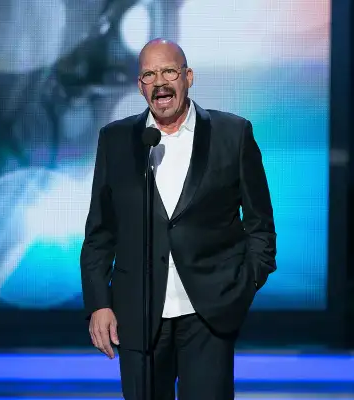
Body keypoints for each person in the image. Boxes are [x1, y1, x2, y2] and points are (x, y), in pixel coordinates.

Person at [80, 38, 277, 399]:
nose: (160, 82)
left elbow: (260, 224)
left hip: (209, 314)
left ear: (188, 77)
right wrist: (99, 303)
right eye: (149, 75)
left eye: (169, 71)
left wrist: (242, 285)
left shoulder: (232, 134)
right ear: (140, 86)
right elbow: (100, 232)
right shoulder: (117, 140)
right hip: (137, 315)